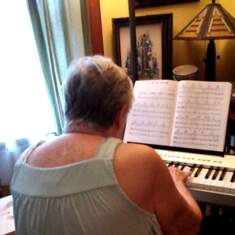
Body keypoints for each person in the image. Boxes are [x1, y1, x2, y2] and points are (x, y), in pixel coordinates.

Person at [11, 55, 202, 235]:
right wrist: (176, 183)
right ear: (120, 115)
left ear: (66, 107)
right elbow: (187, 227)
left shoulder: (23, 162)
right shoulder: (141, 161)